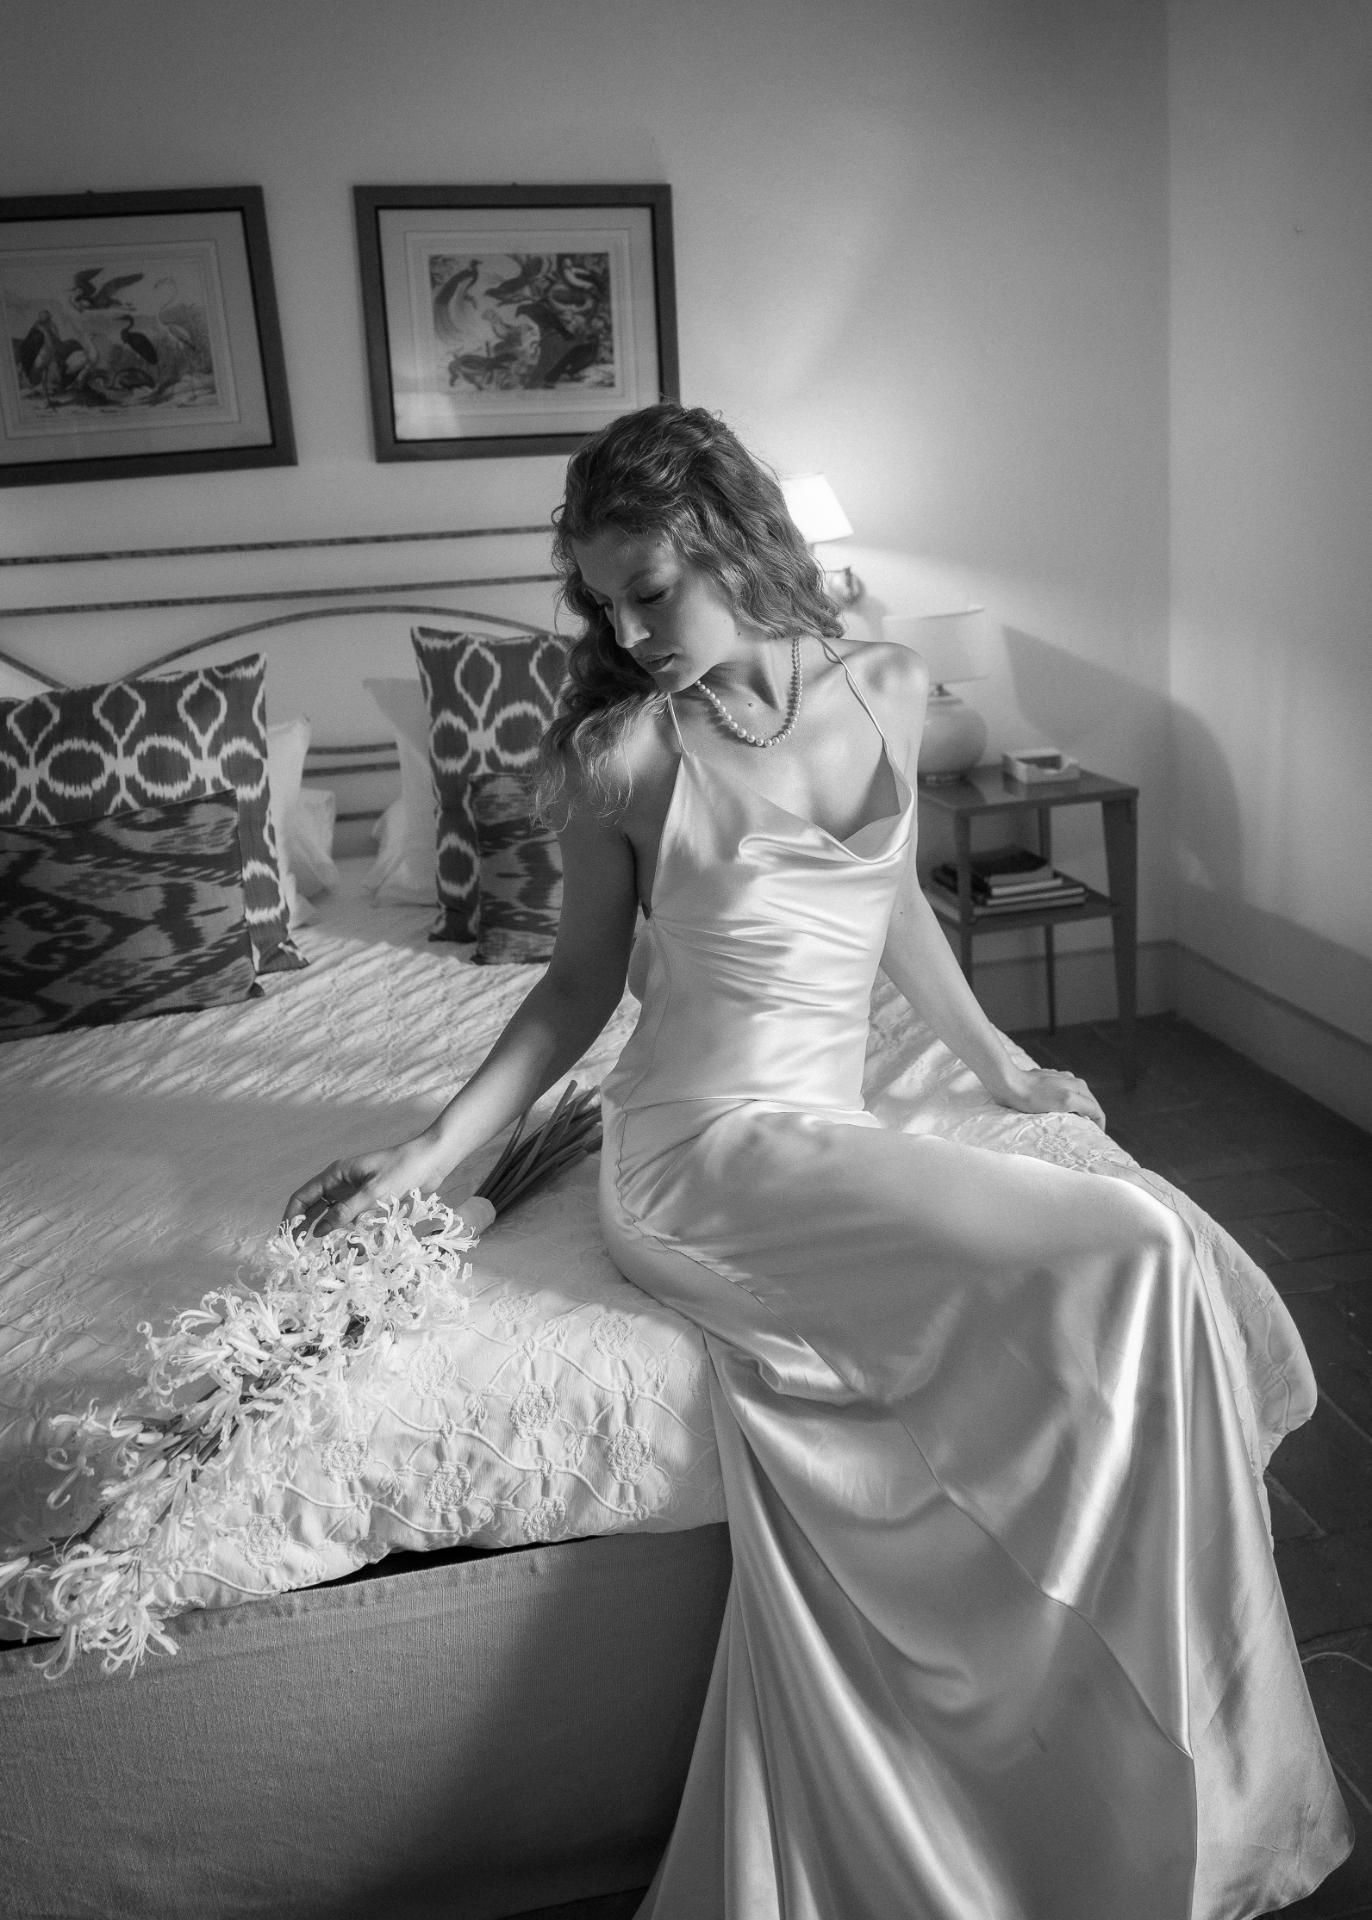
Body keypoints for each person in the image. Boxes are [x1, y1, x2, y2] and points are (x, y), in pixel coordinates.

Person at [286, 403, 1350, 1919]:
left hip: (829, 1121)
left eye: (650, 585)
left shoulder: (893, 684)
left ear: (733, 536)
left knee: (1141, 1255)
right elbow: (577, 989)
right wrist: (430, 1151)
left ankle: (1109, 1735)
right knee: (1129, 1253)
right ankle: (1043, 1723)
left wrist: (992, 1065)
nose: (630, 626)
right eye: (603, 599)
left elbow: (894, 903)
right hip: (698, 1149)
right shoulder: (627, 753)